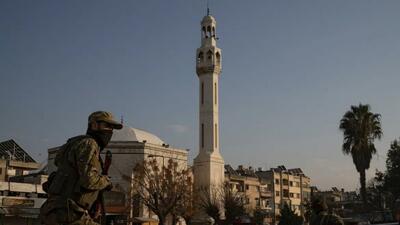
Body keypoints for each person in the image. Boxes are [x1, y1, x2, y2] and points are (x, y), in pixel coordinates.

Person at [40, 111, 123, 225]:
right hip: (69, 213)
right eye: (107, 125)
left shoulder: (73, 144)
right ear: (94, 125)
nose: (110, 131)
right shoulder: (89, 143)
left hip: (53, 211)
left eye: (112, 128)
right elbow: (89, 180)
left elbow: (60, 165)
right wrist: (106, 181)